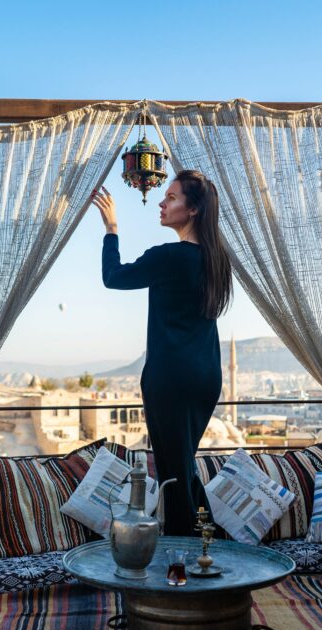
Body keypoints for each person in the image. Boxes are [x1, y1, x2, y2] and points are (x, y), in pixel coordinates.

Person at [90, 170, 232, 536]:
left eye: (171, 197)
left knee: (173, 472)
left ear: (194, 209)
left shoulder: (171, 256)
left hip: (170, 377)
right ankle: (208, 544)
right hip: (206, 377)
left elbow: (113, 276)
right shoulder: (217, 260)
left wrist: (111, 229)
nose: (161, 202)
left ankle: (183, 562)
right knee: (182, 465)